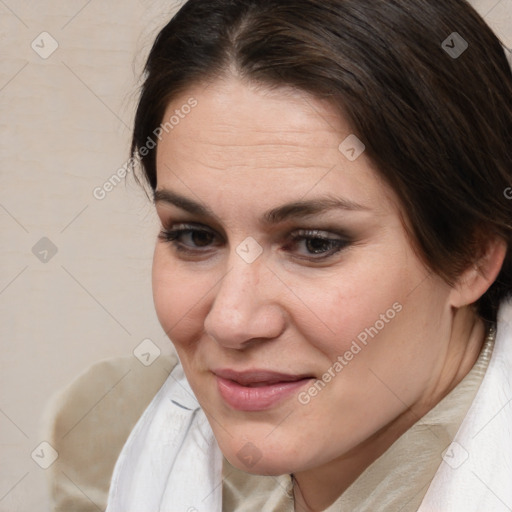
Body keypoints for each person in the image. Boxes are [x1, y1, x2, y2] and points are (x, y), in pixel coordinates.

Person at [106, 0, 512, 510]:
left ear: (472, 256)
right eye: (195, 236)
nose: (231, 322)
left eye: (315, 243)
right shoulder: (126, 454)